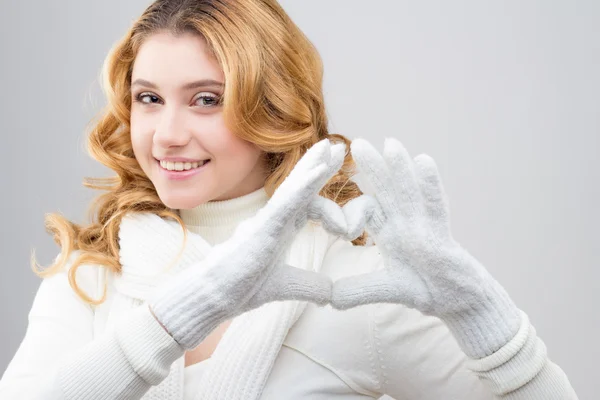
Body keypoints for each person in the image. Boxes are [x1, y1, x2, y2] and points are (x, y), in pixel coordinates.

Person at [0, 0, 579, 399]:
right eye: (148, 98)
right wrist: (181, 313)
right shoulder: (95, 271)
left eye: (205, 100)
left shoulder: (351, 284)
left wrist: (487, 319)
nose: (166, 133)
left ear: (269, 108)